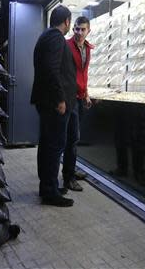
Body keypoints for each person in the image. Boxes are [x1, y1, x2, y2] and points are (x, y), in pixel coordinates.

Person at [30, 5, 77, 207]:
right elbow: (51, 69)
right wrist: (60, 99)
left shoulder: (46, 36)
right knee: (54, 146)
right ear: (66, 21)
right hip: (53, 103)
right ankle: (50, 192)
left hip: (47, 101)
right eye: (70, 23)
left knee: (49, 145)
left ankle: (48, 186)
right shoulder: (55, 38)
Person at [62, 16, 95, 190]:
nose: (79, 32)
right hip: (70, 98)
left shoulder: (88, 49)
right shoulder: (66, 46)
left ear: (88, 30)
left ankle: (71, 170)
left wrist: (87, 94)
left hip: (81, 98)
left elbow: (84, 74)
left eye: (82, 29)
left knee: (75, 138)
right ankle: (68, 178)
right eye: (76, 29)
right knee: (72, 138)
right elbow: (63, 74)